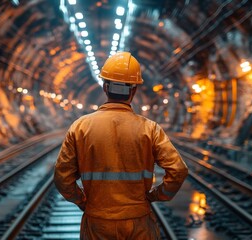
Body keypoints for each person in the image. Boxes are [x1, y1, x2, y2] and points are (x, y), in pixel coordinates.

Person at [54, 52, 188, 239]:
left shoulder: (80, 127)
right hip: (138, 221)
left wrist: (82, 200)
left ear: (104, 87)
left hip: (98, 222)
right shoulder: (150, 129)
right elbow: (178, 170)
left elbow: (62, 178)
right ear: (134, 91)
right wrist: (157, 195)